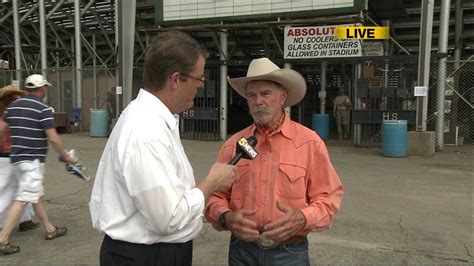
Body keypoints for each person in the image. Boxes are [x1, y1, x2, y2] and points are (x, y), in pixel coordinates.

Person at [89, 31, 236, 266]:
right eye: (198, 79)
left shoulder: (152, 119)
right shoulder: (147, 132)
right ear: (175, 79)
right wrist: (211, 183)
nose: (200, 86)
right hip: (147, 255)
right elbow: (168, 218)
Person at [205, 57, 344, 266]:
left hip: (289, 252)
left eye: (266, 94)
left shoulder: (309, 143)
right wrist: (225, 217)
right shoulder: (234, 144)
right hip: (242, 250)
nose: (258, 101)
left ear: (283, 97)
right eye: (252, 95)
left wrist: (303, 217)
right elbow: (215, 195)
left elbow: (328, 198)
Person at [0, 75, 76, 255]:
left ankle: (49, 229)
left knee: (36, 194)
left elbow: (1, 130)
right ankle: (3, 239)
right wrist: (65, 155)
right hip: (32, 160)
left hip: (17, 159)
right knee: (24, 197)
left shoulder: (13, 107)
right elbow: (53, 138)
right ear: (42, 88)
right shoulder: (43, 109)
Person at [0, 85, 39, 233]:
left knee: (24, 188)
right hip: (7, 155)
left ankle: (26, 219)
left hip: (15, 154)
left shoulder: (11, 112)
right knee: (7, 191)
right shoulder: (9, 113)